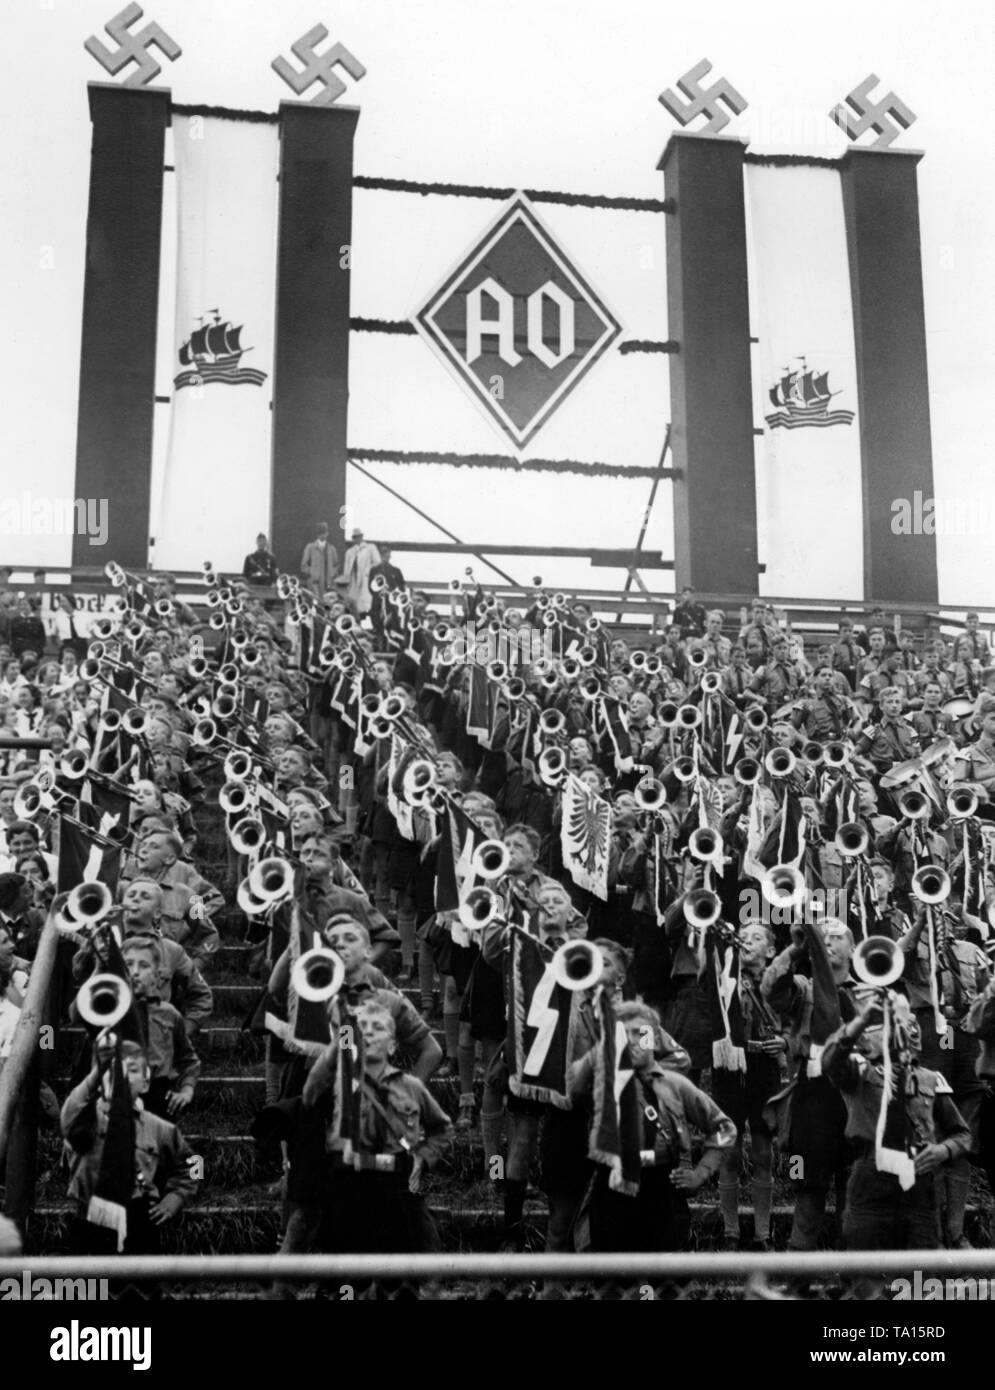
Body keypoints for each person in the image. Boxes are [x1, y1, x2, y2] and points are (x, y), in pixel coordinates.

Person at [568, 1000, 737, 1252]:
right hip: (613, 1184)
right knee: (614, 1275)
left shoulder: (675, 1085)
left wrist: (700, 1173)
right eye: (626, 1035)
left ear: (656, 1039)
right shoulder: (600, 1082)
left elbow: (724, 1128)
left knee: (662, 1272)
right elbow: (569, 1088)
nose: (634, 1041)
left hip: (660, 1185)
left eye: (642, 1034)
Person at [822, 991, 971, 1251]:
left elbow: (962, 1134)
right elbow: (830, 1060)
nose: (907, 1029)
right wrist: (862, 1020)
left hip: (920, 1180)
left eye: (910, 1023)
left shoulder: (930, 1079)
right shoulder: (861, 1073)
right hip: (872, 1176)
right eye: (895, 1022)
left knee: (921, 1269)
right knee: (864, 1265)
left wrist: (942, 1151)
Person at [61, 1032, 200, 1255]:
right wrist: (97, 1070)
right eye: (113, 1069)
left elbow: (195, 1163)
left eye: (132, 1070)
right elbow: (71, 1109)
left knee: (142, 1287)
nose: (122, 1075)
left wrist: (175, 1198)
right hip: (90, 1217)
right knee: (90, 1288)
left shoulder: (160, 1128)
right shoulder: (82, 1119)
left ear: (145, 1083)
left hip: (139, 1219)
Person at [342, 530, 382, 618]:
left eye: (359, 536)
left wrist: (368, 570)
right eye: (355, 537)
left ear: (362, 537)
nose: (357, 538)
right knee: (354, 604)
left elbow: (378, 562)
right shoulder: (350, 552)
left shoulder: (370, 548)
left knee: (367, 603)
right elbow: (347, 568)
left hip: (366, 579)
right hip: (353, 580)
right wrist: (346, 580)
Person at [300, 522, 339, 596]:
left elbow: (336, 565)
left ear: (327, 533)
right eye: (321, 533)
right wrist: (312, 573)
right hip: (315, 585)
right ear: (317, 534)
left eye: (325, 532)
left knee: (328, 605)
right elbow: (303, 566)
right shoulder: (310, 547)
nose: (323, 535)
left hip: (328, 584)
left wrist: (332, 574)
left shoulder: (331, 549)